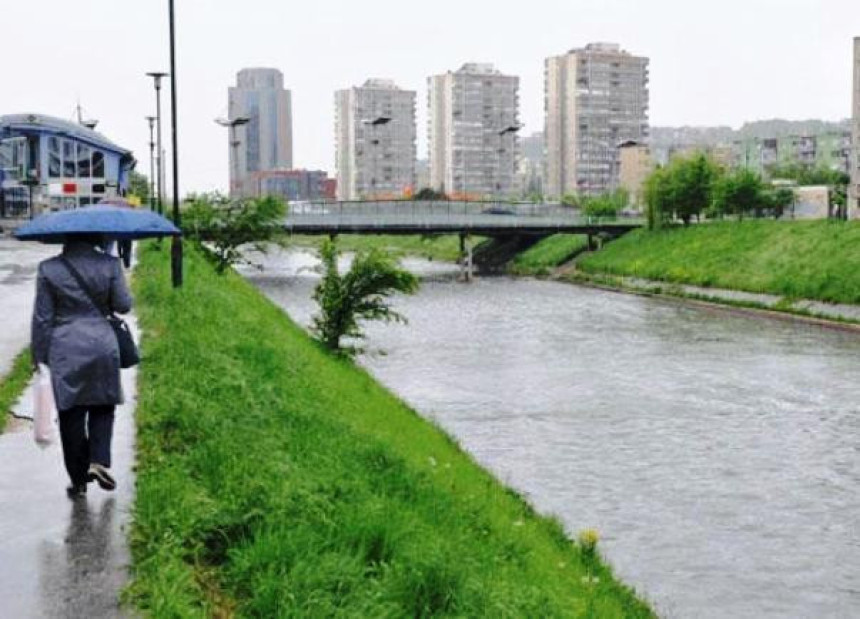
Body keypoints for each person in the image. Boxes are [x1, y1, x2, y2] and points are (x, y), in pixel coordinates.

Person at [30, 235, 133, 499]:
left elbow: (43, 318)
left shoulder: (48, 269)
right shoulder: (110, 264)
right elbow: (123, 305)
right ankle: (98, 460)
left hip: (64, 349)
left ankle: (78, 481)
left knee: (70, 414)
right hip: (102, 345)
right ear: (97, 237)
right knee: (103, 405)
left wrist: (39, 357)